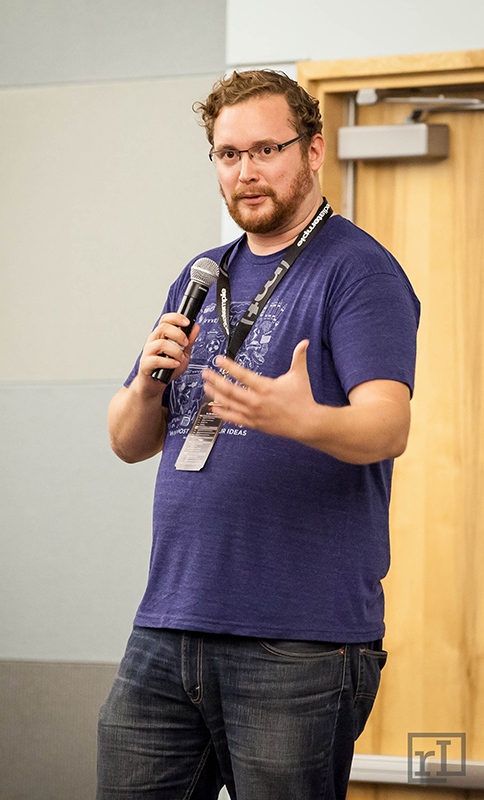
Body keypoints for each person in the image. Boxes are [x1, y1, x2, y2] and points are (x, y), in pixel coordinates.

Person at [97, 70, 420, 800]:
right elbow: (127, 441)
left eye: (266, 149)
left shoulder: (358, 271)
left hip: (295, 641)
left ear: (313, 150)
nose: (245, 170)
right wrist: (147, 381)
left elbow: (388, 424)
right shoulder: (202, 275)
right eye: (228, 153)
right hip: (170, 623)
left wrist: (296, 418)